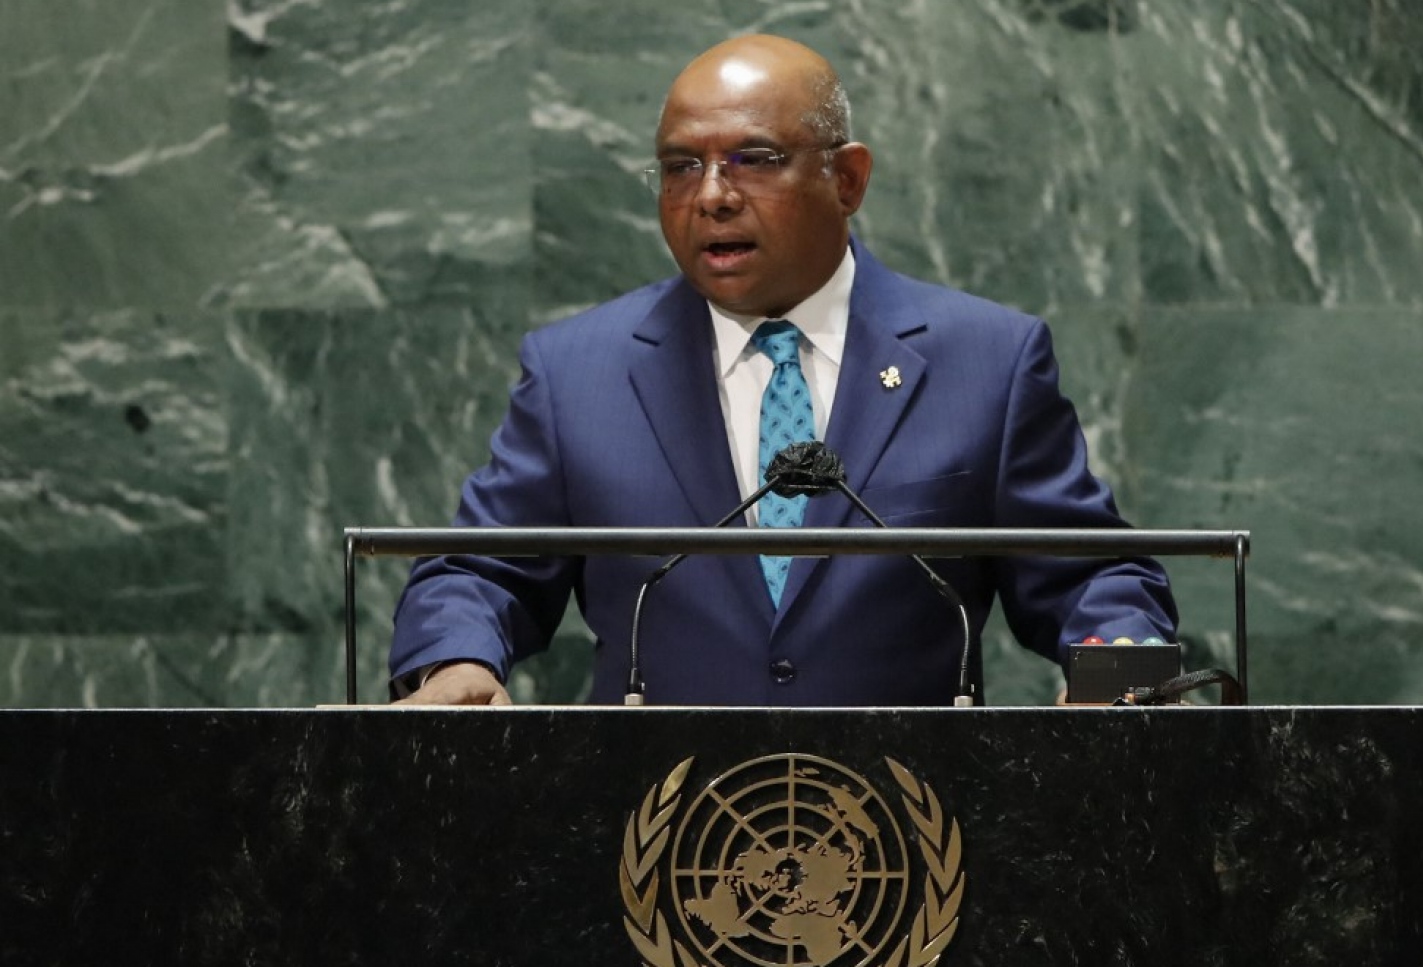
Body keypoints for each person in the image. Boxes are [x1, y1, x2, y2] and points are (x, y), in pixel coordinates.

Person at [389, 34, 1176, 706]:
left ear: (847, 179)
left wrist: (1119, 667)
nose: (711, 196)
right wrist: (456, 658)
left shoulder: (986, 362)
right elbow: (478, 571)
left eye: (754, 160)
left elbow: (1092, 577)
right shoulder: (578, 374)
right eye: (680, 167)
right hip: (655, 820)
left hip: (908, 820)